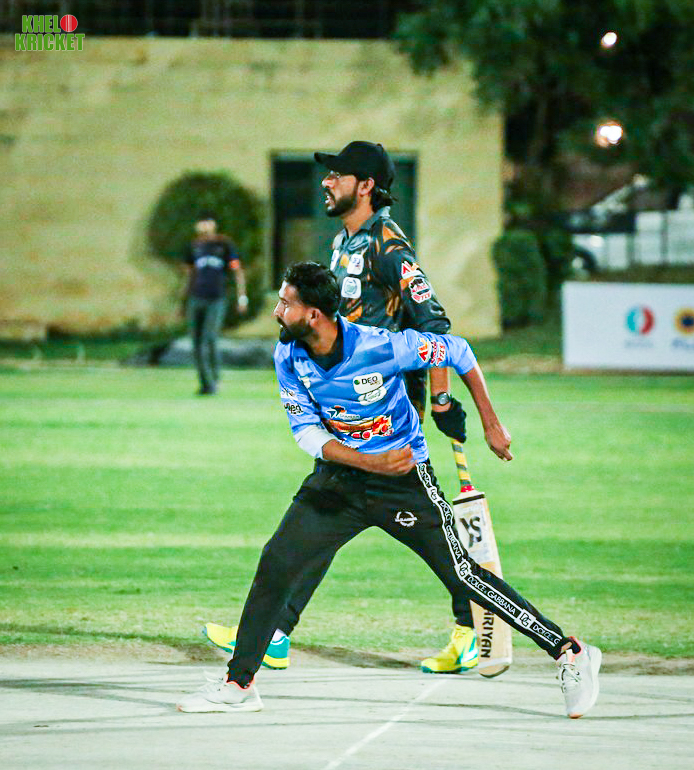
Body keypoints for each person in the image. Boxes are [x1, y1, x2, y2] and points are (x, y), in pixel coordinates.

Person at [177, 262, 601, 719]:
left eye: (286, 303)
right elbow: (306, 432)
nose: (278, 312)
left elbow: (458, 352)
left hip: (405, 483)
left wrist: (490, 423)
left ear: (314, 314)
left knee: (464, 576)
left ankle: (570, 652)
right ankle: (239, 685)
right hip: (338, 481)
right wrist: (367, 462)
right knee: (277, 562)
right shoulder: (288, 355)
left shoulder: (381, 346)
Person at [204, 142, 504, 674]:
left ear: (365, 186)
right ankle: (277, 632)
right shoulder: (344, 242)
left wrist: (440, 399)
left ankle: (469, 626)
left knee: (392, 523)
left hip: (385, 408)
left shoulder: (389, 245)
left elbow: (435, 326)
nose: (326, 182)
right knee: (323, 513)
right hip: (343, 404)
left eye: (338, 175)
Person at [183, 211, 248, 395]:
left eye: (208, 222)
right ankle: (205, 383)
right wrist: (183, 299)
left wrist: (242, 297)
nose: (204, 226)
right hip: (196, 298)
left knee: (209, 338)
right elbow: (188, 274)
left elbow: (237, 271)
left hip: (216, 299)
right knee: (196, 342)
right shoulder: (194, 246)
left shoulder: (224, 245)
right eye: (201, 222)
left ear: (214, 225)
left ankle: (215, 379)